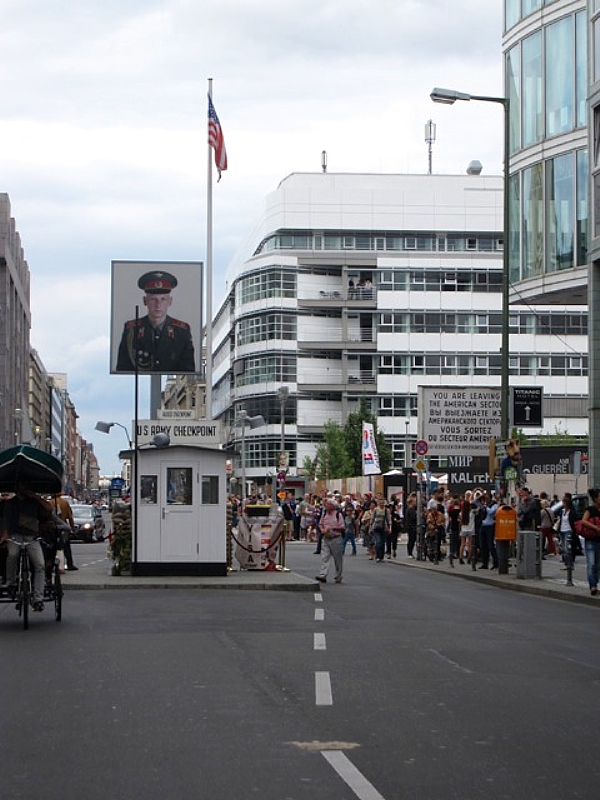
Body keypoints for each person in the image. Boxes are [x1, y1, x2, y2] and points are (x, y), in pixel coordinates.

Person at [116, 270, 196, 373]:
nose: (158, 305)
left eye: (163, 299)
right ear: (145, 301)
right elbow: (123, 368)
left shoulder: (182, 331)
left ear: (170, 301)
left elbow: (188, 369)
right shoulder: (131, 330)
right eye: (153, 299)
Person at [0, 481, 54, 610]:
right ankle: (11, 583)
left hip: (32, 537)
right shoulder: (10, 503)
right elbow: (5, 519)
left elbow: (48, 509)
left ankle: (38, 598)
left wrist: (35, 497)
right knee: (12, 555)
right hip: (15, 536)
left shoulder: (35, 502)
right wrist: (5, 535)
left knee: (40, 564)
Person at [315, 497, 345, 584]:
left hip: (336, 538)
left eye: (327, 504)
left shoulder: (338, 515)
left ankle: (338, 576)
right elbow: (320, 524)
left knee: (337, 558)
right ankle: (322, 575)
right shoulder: (324, 514)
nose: (325, 506)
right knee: (325, 557)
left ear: (332, 506)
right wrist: (322, 529)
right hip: (326, 537)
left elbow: (342, 527)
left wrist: (332, 528)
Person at [580, 487, 600, 596]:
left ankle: (595, 584)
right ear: (595, 498)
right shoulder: (590, 509)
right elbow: (583, 521)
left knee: (597, 565)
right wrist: (595, 527)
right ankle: (592, 586)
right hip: (591, 540)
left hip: (599, 540)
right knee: (591, 564)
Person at [52, 494, 78, 571]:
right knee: (66, 547)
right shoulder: (65, 502)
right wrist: (72, 529)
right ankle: (69, 564)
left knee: (53, 547)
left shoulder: (50, 502)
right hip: (63, 526)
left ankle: (53, 564)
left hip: (53, 527)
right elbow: (70, 517)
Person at [370, 497, 391, 563]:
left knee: (382, 543)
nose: (382, 504)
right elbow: (372, 519)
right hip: (376, 527)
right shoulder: (376, 510)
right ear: (378, 503)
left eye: (383, 503)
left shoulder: (386, 510)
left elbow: (389, 519)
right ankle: (378, 556)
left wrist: (389, 528)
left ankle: (381, 557)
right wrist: (370, 527)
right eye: (380, 503)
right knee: (378, 542)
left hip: (383, 528)